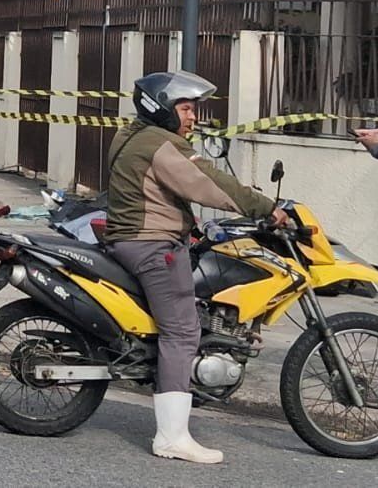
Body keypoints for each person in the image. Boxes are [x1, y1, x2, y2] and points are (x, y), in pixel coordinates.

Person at [106, 70, 288, 464]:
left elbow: (164, 192)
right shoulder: (161, 144)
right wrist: (266, 208)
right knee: (183, 331)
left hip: (135, 238)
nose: (192, 118)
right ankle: (171, 438)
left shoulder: (132, 134)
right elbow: (209, 182)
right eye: (186, 109)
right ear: (162, 108)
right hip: (151, 246)